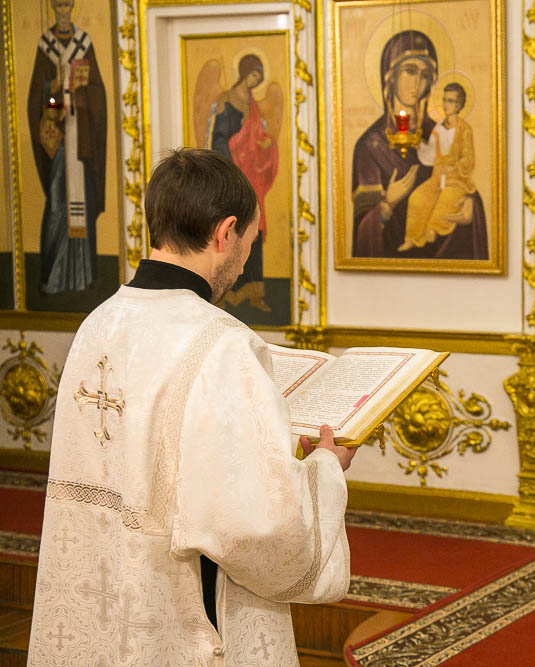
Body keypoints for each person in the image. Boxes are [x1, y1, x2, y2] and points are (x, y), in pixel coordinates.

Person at [28, 149, 356, 664]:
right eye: (250, 242)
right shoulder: (223, 343)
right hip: (184, 608)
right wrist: (324, 470)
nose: (244, 263)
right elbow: (261, 528)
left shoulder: (98, 323)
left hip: (107, 592)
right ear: (225, 233)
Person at [351, 30, 488, 260]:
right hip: (393, 269)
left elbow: (460, 178)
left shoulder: (441, 130)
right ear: (390, 76)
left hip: (446, 262)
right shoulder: (370, 146)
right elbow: (362, 233)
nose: (417, 82)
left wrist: (469, 204)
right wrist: (387, 204)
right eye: (410, 71)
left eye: (425, 75)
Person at [27, 0, 107, 294]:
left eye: (66, 5)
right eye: (58, 5)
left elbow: (98, 92)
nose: (62, 11)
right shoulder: (45, 45)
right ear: (52, 7)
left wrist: (81, 93)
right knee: (56, 204)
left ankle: (83, 277)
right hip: (59, 140)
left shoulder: (83, 44)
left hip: (81, 139)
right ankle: (52, 277)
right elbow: (37, 98)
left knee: (82, 204)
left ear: (72, 7)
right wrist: (54, 86)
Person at [208, 53, 278, 313]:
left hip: (252, 178)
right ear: (244, 72)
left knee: (253, 233)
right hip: (234, 178)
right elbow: (218, 139)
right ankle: (227, 292)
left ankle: (255, 292)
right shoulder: (227, 101)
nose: (255, 81)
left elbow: (257, 135)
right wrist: (232, 167)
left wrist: (262, 143)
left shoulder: (252, 104)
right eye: (253, 75)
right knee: (231, 235)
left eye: (259, 78)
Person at [400, 82, 478, 251]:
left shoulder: (465, 129)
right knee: (416, 198)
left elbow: (469, 158)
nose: (445, 104)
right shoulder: (438, 128)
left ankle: (432, 230)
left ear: (458, 105)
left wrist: (454, 167)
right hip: (437, 178)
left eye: (450, 101)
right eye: (444, 100)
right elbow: (430, 156)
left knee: (445, 201)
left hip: (456, 180)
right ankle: (412, 238)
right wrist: (418, 145)